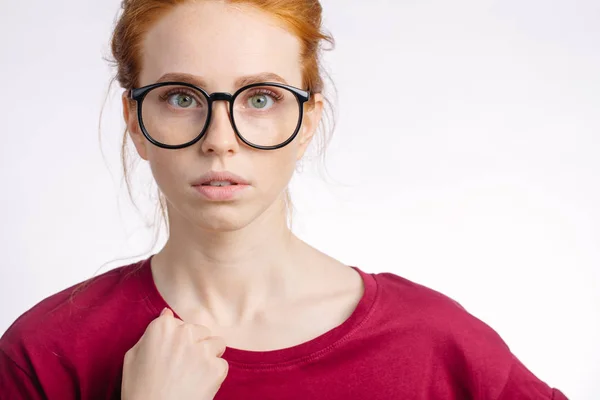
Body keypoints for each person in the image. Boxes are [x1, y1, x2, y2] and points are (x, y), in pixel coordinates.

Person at [0, 0, 569, 399]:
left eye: (262, 98)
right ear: (134, 119)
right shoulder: (46, 353)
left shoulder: (435, 344)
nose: (219, 138)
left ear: (307, 121)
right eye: (180, 97)